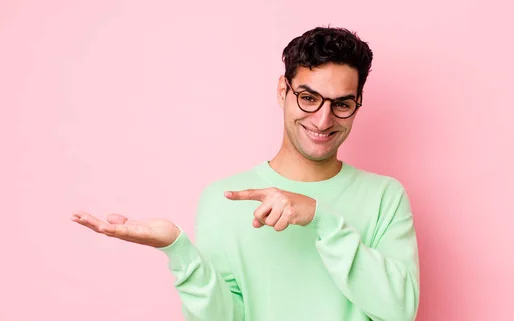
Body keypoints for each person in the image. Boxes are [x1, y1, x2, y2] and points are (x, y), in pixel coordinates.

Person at [71, 26, 420, 321]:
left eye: (341, 104)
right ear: (283, 91)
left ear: (357, 104)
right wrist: (178, 251)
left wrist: (321, 219)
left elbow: (400, 310)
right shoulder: (225, 198)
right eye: (308, 98)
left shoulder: (384, 197)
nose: (323, 120)